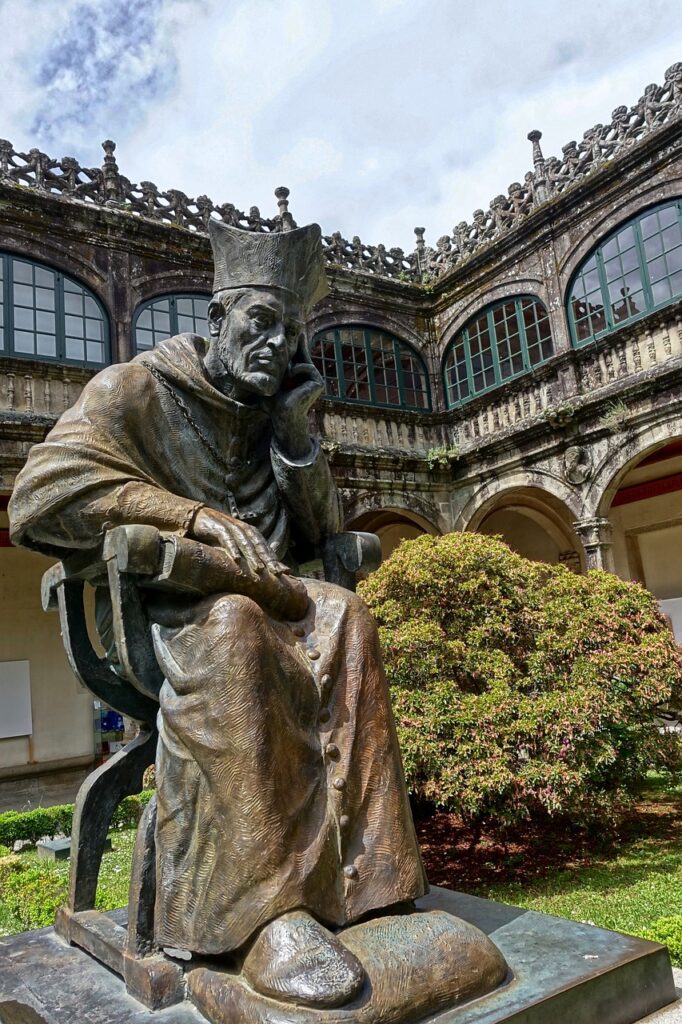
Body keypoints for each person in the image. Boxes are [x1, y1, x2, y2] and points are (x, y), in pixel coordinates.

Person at [9, 220, 428, 1009]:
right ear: (218, 317)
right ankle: (263, 919)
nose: (274, 344)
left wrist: (297, 436)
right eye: (259, 323)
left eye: (291, 332)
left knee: (346, 614)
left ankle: (376, 886)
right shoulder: (135, 387)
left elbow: (316, 539)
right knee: (234, 623)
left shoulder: (277, 410)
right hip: (162, 618)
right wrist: (190, 517)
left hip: (281, 600)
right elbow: (38, 497)